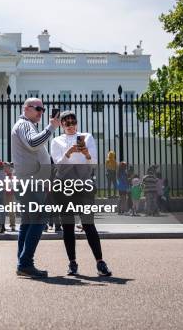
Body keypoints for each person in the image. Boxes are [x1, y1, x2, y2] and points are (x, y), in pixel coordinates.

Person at [50, 110, 112, 276]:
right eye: (67, 123)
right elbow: (59, 166)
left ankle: (100, 262)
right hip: (64, 187)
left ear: (77, 122)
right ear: (61, 125)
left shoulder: (87, 137)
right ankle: (72, 263)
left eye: (73, 122)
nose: (71, 126)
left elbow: (93, 162)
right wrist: (69, 152)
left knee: (88, 224)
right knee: (68, 226)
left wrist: (85, 153)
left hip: (84, 185)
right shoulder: (56, 141)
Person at [12, 97, 60, 278]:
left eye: (43, 109)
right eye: (37, 108)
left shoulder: (27, 126)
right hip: (30, 183)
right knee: (39, 221)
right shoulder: (24, 125)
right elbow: (33, 144)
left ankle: (22, 262)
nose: (41, 112)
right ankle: (25, 262)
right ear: (26, 109)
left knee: (28, 223)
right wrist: (52, 127)